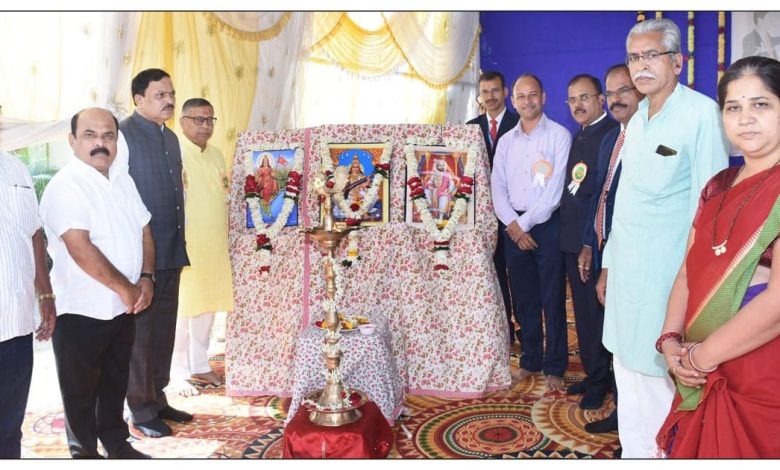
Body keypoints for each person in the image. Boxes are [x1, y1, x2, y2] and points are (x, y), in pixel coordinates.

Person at [597, 18, 728, 457]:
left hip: (666, 280)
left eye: (651, 55)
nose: (641, 66)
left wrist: (696, 287)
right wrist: (608, 264)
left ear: (677, 61)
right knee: (625, 373)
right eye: (634, 57)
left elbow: (710, 211)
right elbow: (625, 202)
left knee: (658, 383)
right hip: (626, 277)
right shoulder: (636, 120)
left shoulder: (701, 115)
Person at [655, 56, 780, 458]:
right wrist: (671, 341)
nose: (745, 118)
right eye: (733, 107)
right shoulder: (718, 186)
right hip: (700, 360)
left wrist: (699, 357)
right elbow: (688, 271)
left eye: (761, 104)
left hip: (759, 369)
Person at [39, 108, 153, 458]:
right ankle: (84, 454)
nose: (100, 143)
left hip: (123, 306)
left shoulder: (122, 179)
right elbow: (80, 247)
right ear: (72, 140)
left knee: (115, 381)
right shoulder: (66, 186)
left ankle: (116, 444)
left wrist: (146, 277)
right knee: (81, 392)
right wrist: (127, 288)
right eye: (90, 135)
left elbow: (144, 229)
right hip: (82, 309)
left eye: (108, 136)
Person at [120, 68, 192, 438]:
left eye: (171, 94)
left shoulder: (172, 138)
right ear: (138, 99)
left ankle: (158, 398)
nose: (169, 100)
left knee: (164, 331)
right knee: (140, 337)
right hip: (141, 258)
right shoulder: (122, 136)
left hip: (172, 250)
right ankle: (141, 409)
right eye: (160, 95)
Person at [491, 73, 572, 391]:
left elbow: (555, 191)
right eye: (521, 96)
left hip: (547, 225)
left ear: (544, 97)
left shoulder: (559, 136)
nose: (527, 101)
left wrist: (522, 226)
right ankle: (530, 359)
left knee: (552, 298)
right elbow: (497, 186)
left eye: (533, 94)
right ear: (513, 101)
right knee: (524, 299)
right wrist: (513, 225)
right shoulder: (506, 141)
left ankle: (555, 365)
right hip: (512, 225)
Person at [577, 64, 645, 435]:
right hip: (606, 251)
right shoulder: (611, 140)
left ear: (642, 91)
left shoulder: (648, 138)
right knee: (613, 334)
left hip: (636, 255)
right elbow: (599, 198)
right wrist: (590, 243)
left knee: (634, 340)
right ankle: (623, 414)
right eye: (611, 92)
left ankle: (637, 425)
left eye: (625, 90)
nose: (617, 98)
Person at [559, 74, 619, 410]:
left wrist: (587, 243)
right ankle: (593, 371)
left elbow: (600, 195)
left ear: (600, 99)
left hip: (593, 245)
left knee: (596, 315)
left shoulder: (610, 134)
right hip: (572, 240)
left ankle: (601, 381)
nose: (578, 105)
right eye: (572, 99)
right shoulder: (580, 135)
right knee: (582, 313)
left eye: (584, 97)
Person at [168, 98, 234, 397]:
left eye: (209, 120)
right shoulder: (175, 153)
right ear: (182, 122)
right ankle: (176, 371)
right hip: (186, 244)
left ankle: (199, 363)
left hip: (214, 244)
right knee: (183, 308)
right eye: (198, 119)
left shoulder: (217, 155)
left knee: (207, 307)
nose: (205, 126)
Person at [0, 151, 56, 459]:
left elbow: (33, 233)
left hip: (17, 325)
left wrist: (45, 295)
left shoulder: (15, 167)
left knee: (9, 428)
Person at [467, 71, 521, 347]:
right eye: (485, 92)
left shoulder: (519, 123)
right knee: (493, 277)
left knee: (520, 279)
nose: (490, 97)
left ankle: (525, 331)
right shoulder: (470, 128)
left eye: (495, 90)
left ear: (506, 92)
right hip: (482, 219)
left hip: (514, 215)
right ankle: (502, 332)